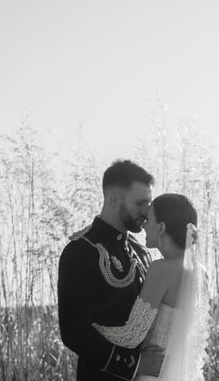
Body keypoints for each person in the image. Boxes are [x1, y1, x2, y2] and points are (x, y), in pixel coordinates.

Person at [92, 193, 211, 381]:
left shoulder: (161, 269)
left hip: (153, 375)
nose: (143, 225)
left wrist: (93, 327)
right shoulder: (201, 272)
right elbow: (196, 340)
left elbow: (132, 334)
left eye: (148, 219)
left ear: (161, 227)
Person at [58, 160, 154, 381]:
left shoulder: (141, 252)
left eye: (149, 204)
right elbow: (75, 331)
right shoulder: (82, 251)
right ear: (113, 198)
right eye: (141, 203)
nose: (147, 213)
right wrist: (134, 364)